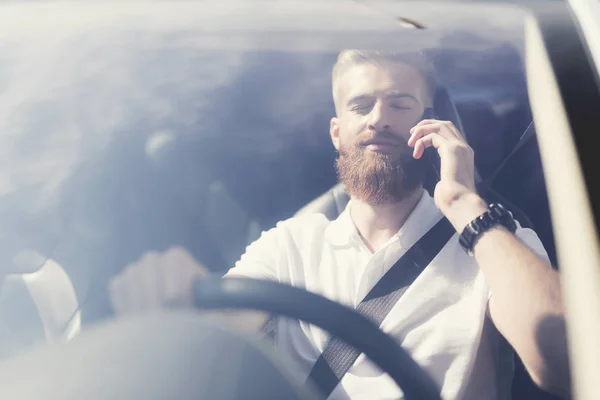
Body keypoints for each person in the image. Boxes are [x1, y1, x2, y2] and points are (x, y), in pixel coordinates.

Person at [109, 50, 569, 399]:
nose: (379, 119)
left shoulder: (493, 239)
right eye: (361, 105)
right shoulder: (291, 245)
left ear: (430, 123)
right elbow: (214, 345)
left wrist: (465, 202)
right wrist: (174, 312)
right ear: (336, 132)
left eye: (399, 104)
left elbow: (566, 357)